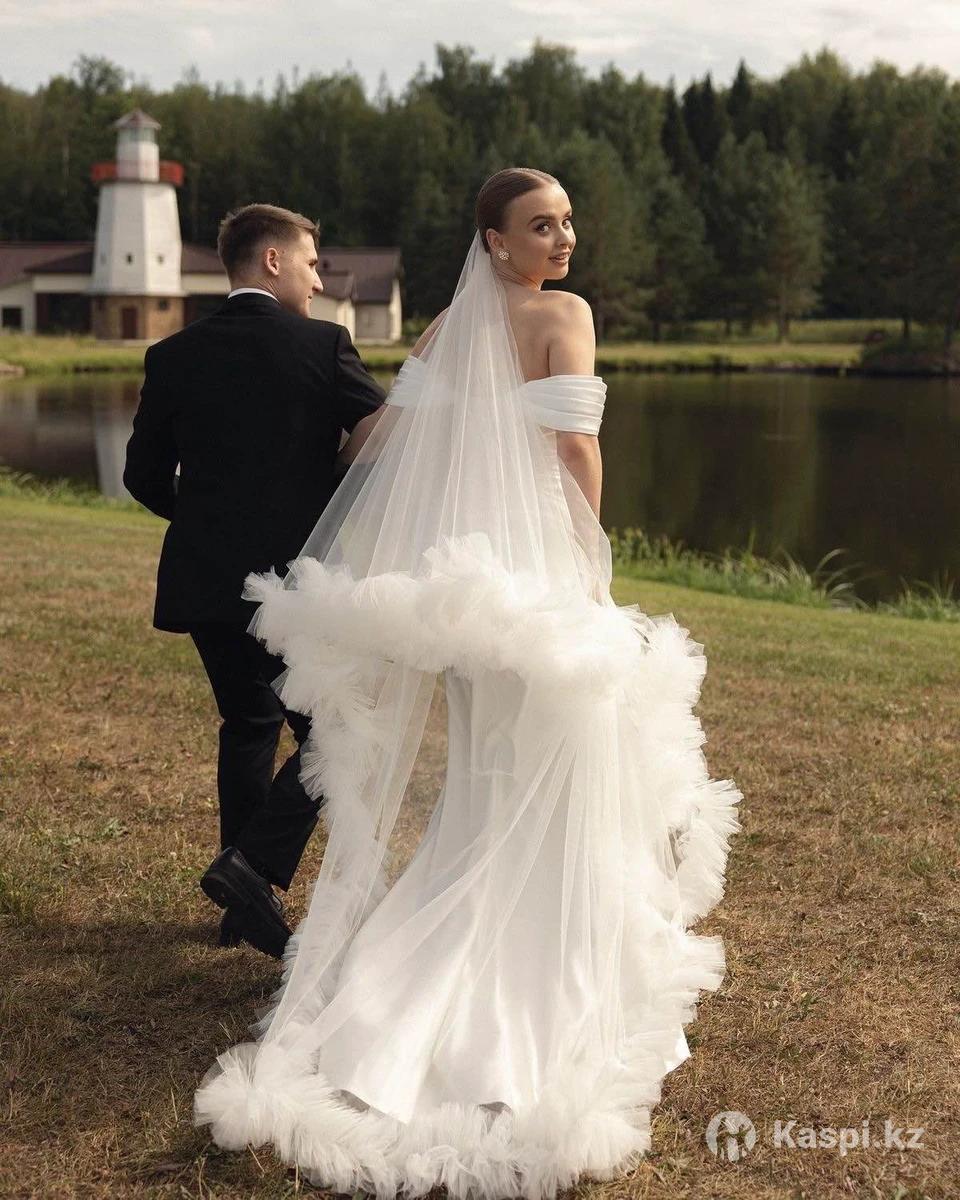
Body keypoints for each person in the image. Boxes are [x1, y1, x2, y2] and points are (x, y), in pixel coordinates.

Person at [193, 169, 742, 1198]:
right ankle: (537, 983)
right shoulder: (565, 317)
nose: (564, 239)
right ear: (495, 240)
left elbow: (383, 443)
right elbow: (575, 450)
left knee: (489, 783)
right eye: (542, 225)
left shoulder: (448, 330)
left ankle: (412, 986)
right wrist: (590, 565)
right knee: (554, 778)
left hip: (466, 596)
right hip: (537, 589)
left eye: (568, 221)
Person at [123, 203, 385, 957]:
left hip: (205, 579)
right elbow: (382, 432)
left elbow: (142, 477)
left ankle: (241, 908)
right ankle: (253, 868)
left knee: (248, 725)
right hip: (294, 583)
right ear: (272, 261)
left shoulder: (172, 354)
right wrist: (329, 489)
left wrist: (208, 522)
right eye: (311, 263)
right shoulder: (322, 344)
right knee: (338, 733)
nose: (317, 279)